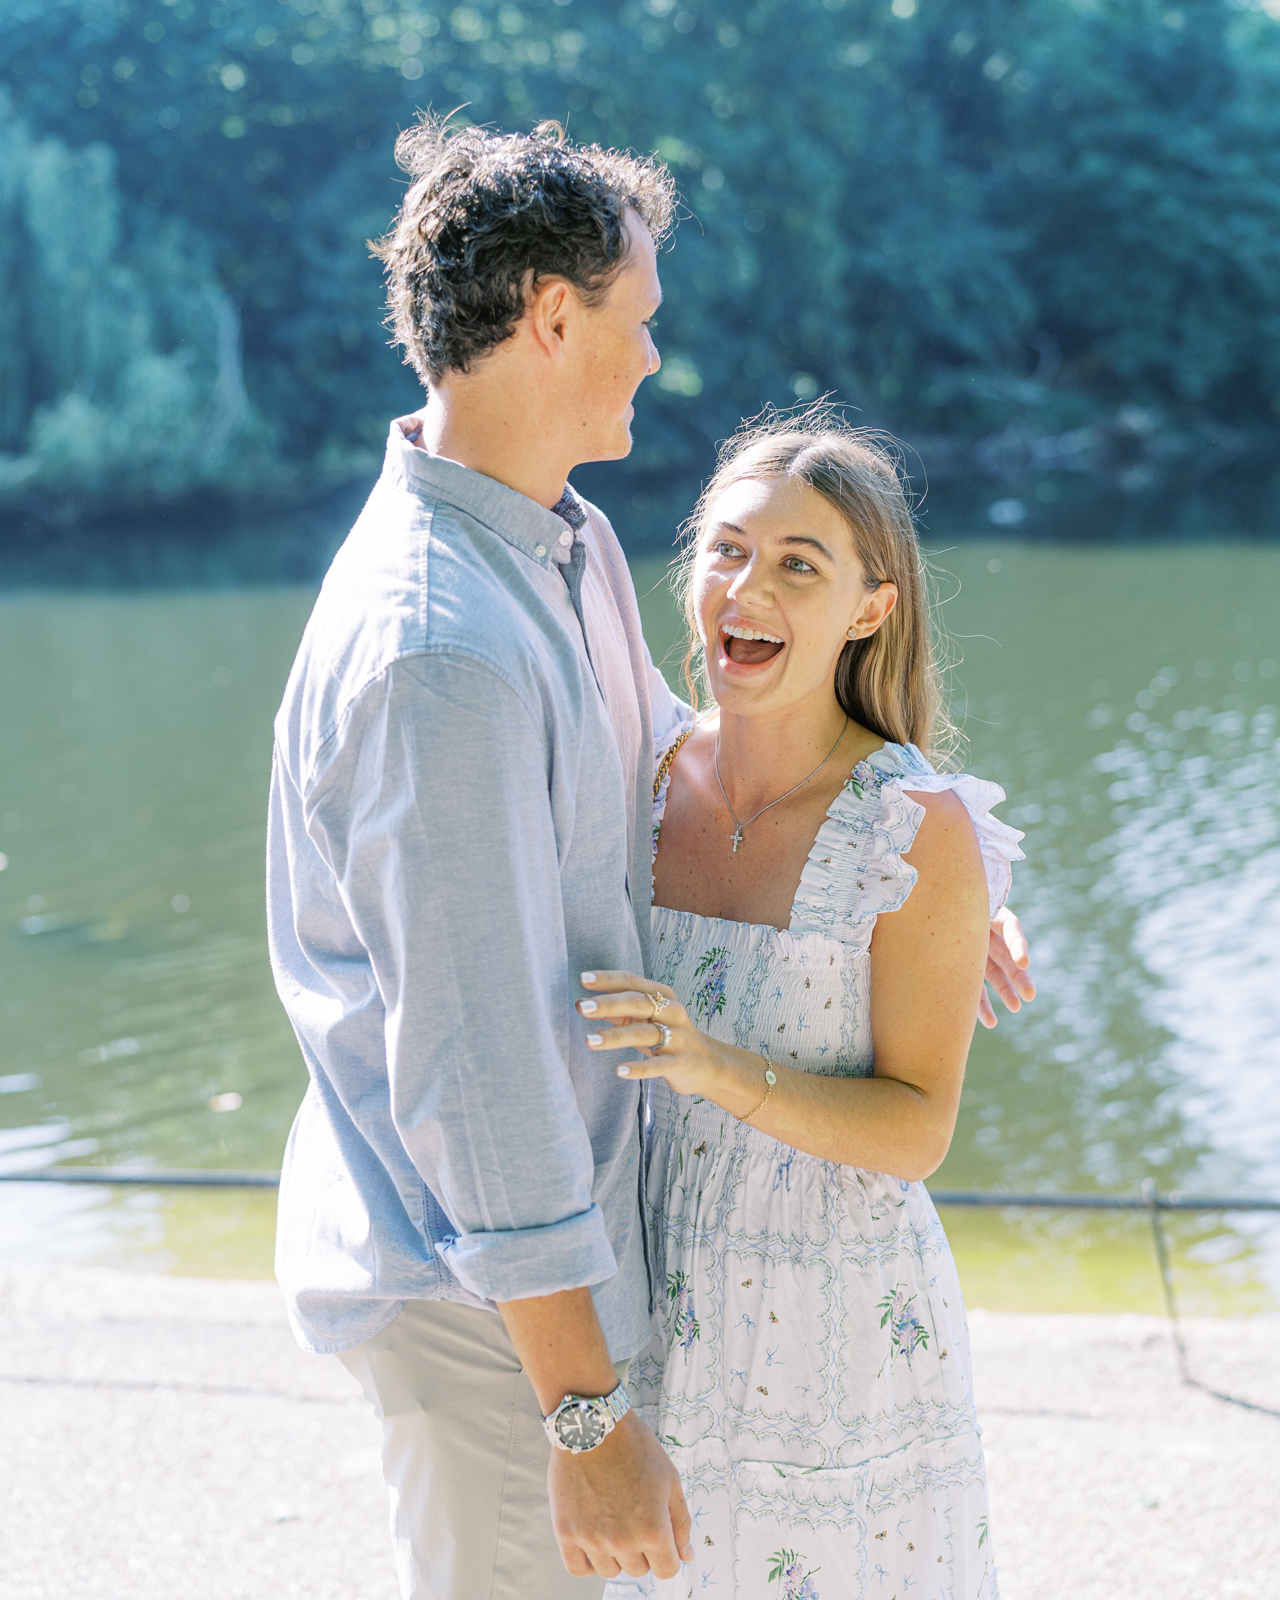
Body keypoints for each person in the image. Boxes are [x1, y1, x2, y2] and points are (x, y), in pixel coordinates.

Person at [266, 116, 1034, 1600]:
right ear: (554, 318)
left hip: (593, 1303)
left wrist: (936, 875)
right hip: (488, 1312)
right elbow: (474, 1066)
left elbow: (665, 756)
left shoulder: (563, 549)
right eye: (639, 320)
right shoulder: (446, 650)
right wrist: (585, 1411)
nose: (652, 359)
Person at [576, 415, 1022, 1599]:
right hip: (663, 1300)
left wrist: (711, 1065)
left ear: (869, 608)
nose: (747, 588)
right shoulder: (638, 774)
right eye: (726, 551)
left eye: (796, 564)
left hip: (843, 1330)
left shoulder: (906, 827)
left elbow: (915, 1128)